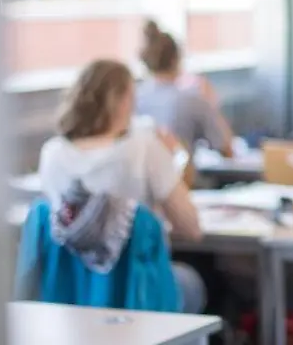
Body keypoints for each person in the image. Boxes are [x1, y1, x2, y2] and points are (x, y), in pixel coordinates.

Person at [37, 59, 207, 313]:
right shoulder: (144, 147)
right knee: (192, 283)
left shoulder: (51, 154)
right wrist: (177, 156)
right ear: (124, 101)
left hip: (72, 296)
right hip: (136, 295)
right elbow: (191, 228)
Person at [135, 20, 236, 160]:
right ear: (176, 60)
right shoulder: (192, 99)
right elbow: (226, 149)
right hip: (183, 178)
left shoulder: (135, 96)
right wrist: (212, 104)